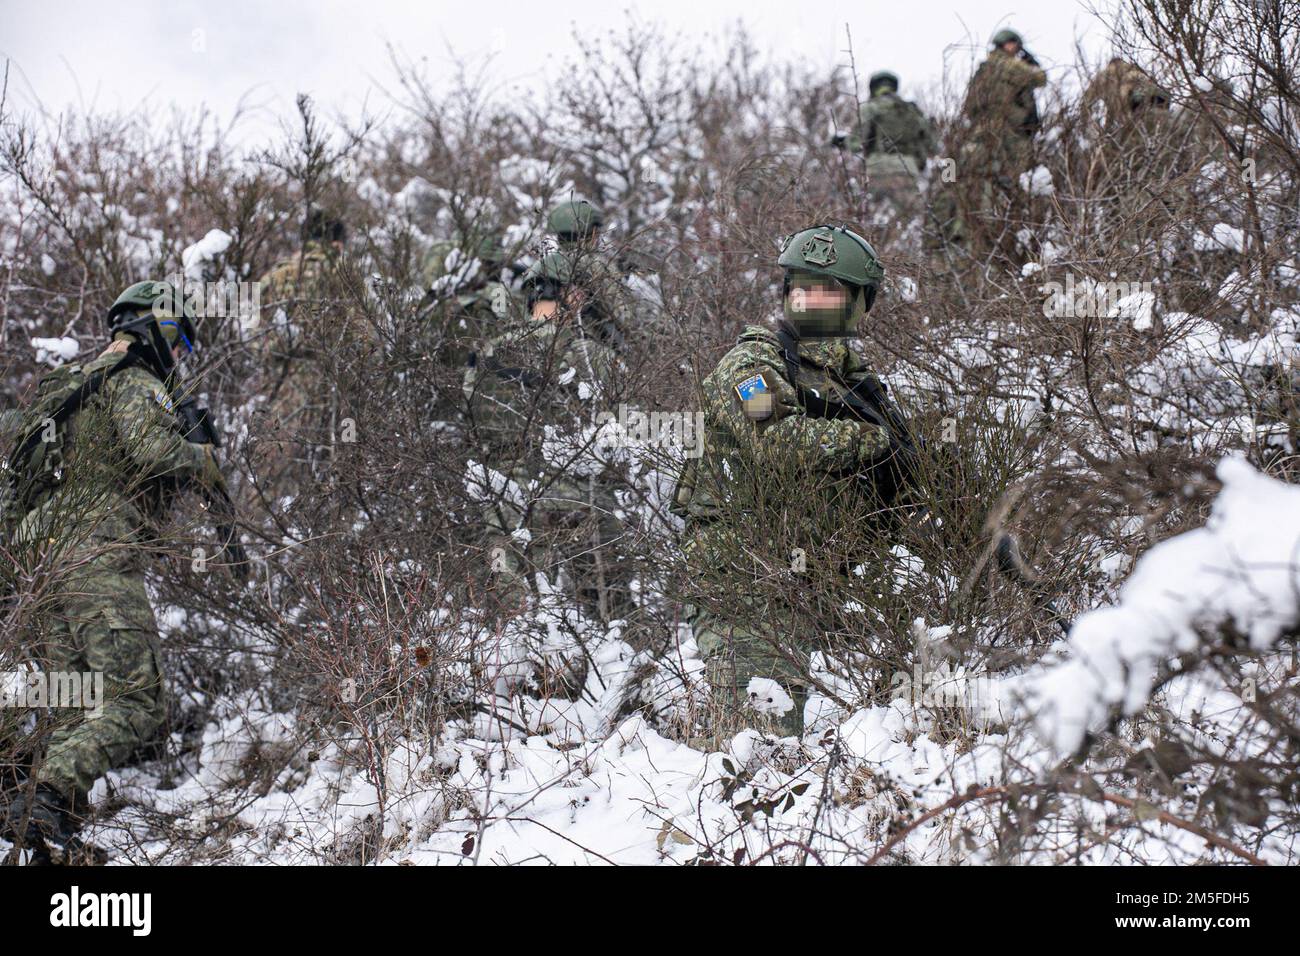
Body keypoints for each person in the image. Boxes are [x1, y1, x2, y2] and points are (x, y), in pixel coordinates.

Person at [0, 281, 234, 863]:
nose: (178, 354)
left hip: (39, 560)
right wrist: (204, 458)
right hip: (95, 547)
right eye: (177, 339)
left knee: (77, 702)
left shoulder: (67, 386)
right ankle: (47, 799)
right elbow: (153, 452)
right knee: (135, 698)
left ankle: (42, 834)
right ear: (154, 327)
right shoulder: (134, 380)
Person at [674, 225, 919, 737]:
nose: (812, 301)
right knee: (760, 742)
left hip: (801, 575)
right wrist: (874, 442)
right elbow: (776, 440)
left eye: (828, 292)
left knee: (776, 735)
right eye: (805, 289)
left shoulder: (850, 379)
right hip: (743, 577)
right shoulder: (751, 365)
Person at [462, 250, 628, 624]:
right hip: (571, 493)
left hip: (501, 492)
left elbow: (471, 412)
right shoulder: (589, 354)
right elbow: (623, 429)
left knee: (511, 608)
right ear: (572, 296)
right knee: (607, 610)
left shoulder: (488, 350)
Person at [934, 28, 1047, 250]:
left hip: (978, 137)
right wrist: (1031, 62)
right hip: (1008, 137)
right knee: (1013, 185)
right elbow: (1040, 78)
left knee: (973, 183)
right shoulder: (1011, 65)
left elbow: (969, 108)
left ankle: (969, 235)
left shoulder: (983, 70)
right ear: (1009, 44)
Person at [833, 71, 937, 217]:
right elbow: (932, 145)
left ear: (873, 88)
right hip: (907, 170)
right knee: (910, 220)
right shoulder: (911, 110)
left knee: (872, 220)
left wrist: (841, 141)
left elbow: (857, 143)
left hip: (877, 170)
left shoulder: (870, 108)